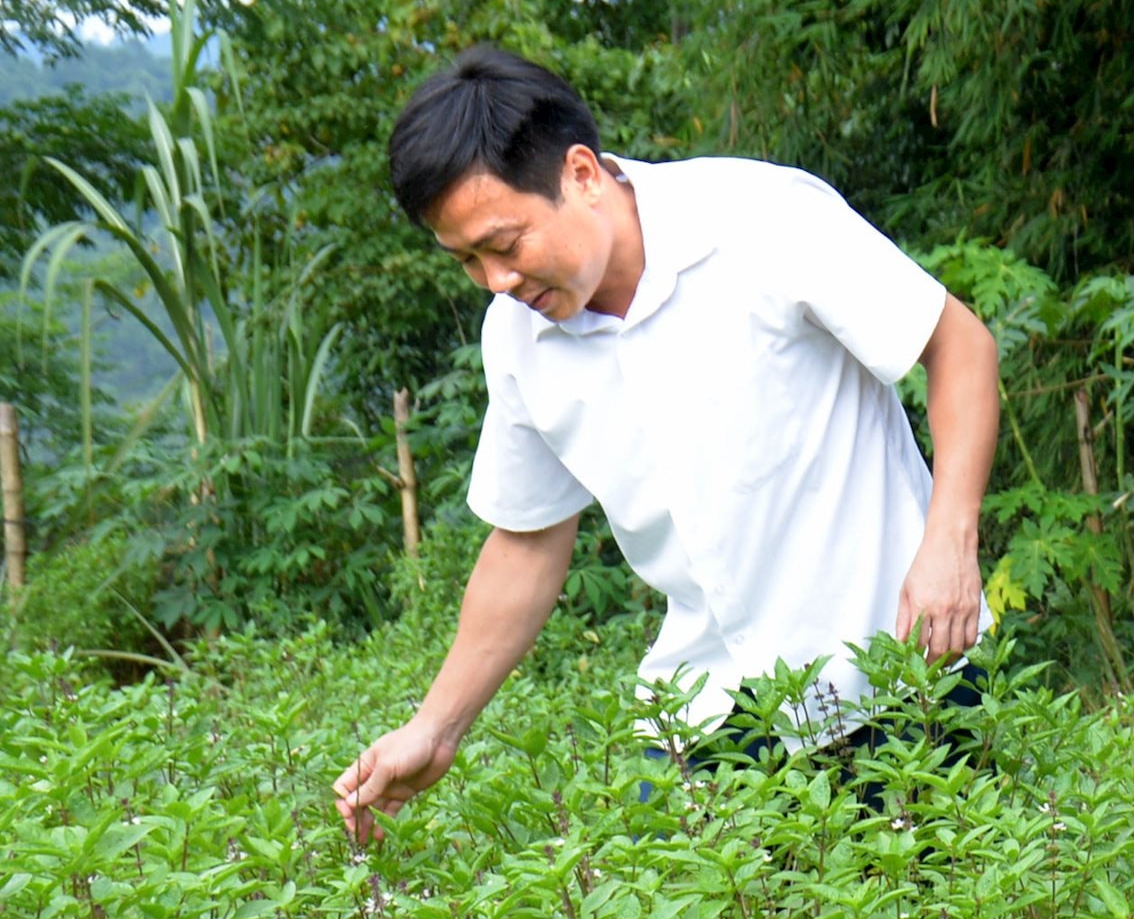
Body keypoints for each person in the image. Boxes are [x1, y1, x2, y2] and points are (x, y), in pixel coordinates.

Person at [332, 48, 997, 843]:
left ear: (581, 174)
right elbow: (529, 537)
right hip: (715, 723)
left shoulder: (761, 220)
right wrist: (435, 727)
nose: (493, 280)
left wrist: (950, 543)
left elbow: (957, 345)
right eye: (467, 259)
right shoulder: (517, 340)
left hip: (904, 672)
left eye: (504, 244)